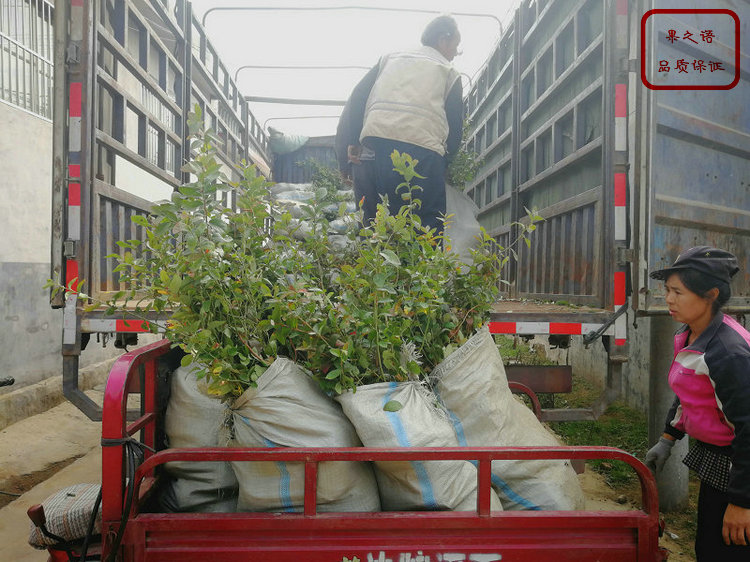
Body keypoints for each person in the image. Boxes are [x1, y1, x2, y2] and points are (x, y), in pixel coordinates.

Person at [644, 246, 750, 560]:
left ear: (710, 294)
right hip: (719, 465)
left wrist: (743, 503)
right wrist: (668, 438)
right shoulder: (692, 335)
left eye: (678, 291)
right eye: (667, 290)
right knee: (707, 545)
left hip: (739, 466)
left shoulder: (727, 353)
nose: (669, 299)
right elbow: (689, 391)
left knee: (727, 551)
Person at [337, 14, 464, 231]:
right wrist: (446, 163)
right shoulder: (448, 71)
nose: (455, 55)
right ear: (443, 39)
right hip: (423, 157)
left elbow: (358, 97)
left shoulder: (390, 58)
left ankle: (374, 263)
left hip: (373, 153)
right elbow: (454, 129)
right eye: (456, 47)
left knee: (373, 228)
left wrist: (349, 146)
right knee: (426, 230)